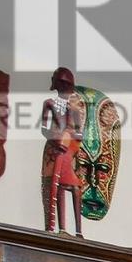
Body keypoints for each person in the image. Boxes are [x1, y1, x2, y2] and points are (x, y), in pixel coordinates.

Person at [39, 67, 84, 237]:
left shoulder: (74, 109)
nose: (65, 88)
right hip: (54, 149)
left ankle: (78, 231)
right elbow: (44, 129)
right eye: (63, 84)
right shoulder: (49, 104)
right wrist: (56, 138)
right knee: (56, 186)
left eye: (67, 85)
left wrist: (70, 136)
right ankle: (61, 228)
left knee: (75, 187)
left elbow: (80, 133)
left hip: (69, 150)